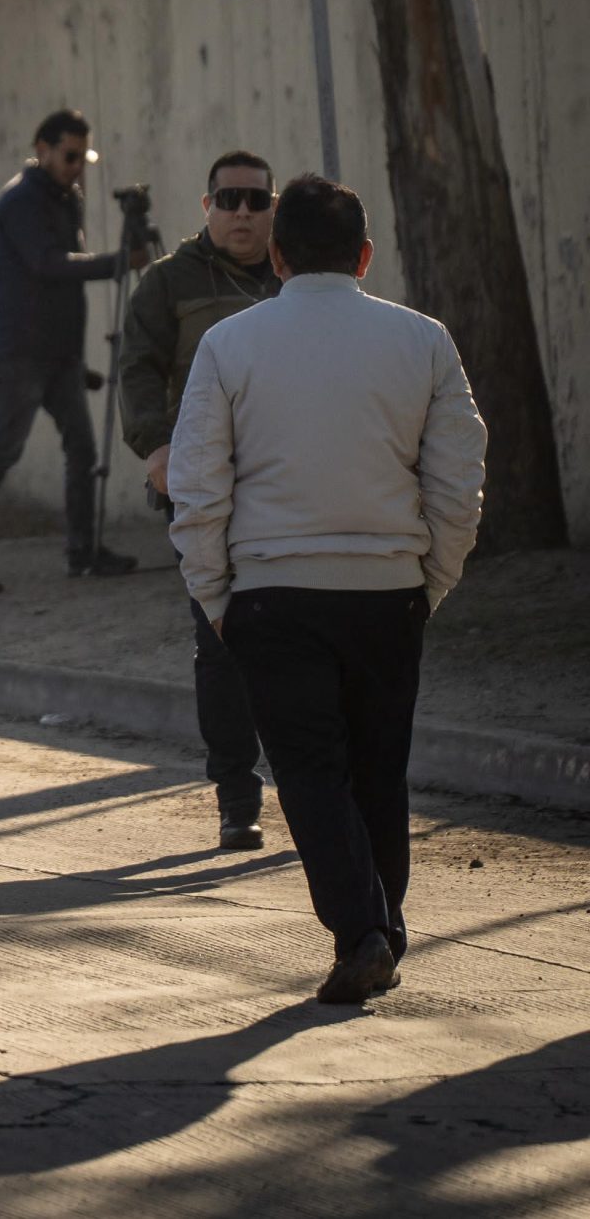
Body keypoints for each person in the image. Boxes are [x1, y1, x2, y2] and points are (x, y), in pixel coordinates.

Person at [168, 175, 485, 1006]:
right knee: (381, 766)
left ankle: (363, 931)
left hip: (272, 595)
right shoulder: (423, 342)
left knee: (311, 770)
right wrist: (430, 582)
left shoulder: (230, 345)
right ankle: (382, 924)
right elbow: (459, 483)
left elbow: (199, 487)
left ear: (276, 256)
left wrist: (215, 595)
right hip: (390, 593)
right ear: (366, 255)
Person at [120, 151, 281, 851]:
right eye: (228, 199)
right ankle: (237, 798)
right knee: (222, 645)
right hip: (205, 491)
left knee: (298, 644)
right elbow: (138, 372)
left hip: (289, 486)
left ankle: (312, 792)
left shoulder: (295, 276)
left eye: (255, 198)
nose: (242, 212)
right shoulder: (167, 283)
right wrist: (156, 450)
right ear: (206, 206)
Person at [0, 108, 150, 598]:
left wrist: (79, 363)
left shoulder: (63, 198)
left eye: (83, 157)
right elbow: (46, 266)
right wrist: (119, 263)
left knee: (83, 450)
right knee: (2, 451)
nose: (78, 166)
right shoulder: (21, 202)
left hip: (58, 356)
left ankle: (83, 551)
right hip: (20, 353)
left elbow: (59, 286)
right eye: (70, 156)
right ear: (43, 149)